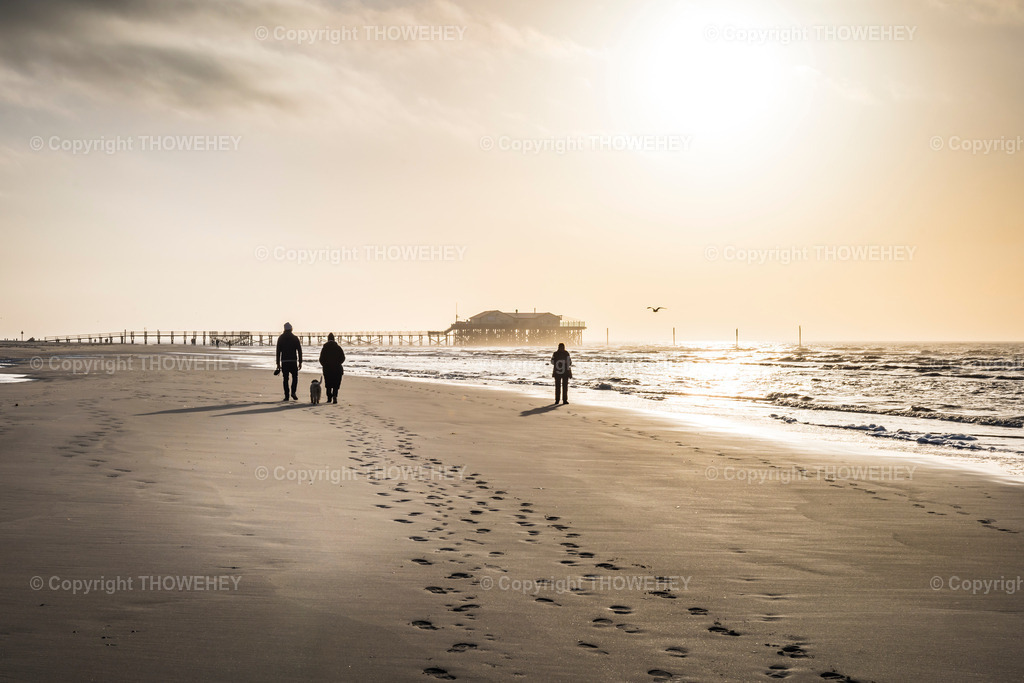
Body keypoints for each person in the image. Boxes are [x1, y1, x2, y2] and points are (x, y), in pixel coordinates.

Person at [275, 322, 303, 401]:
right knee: (295, 377)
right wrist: (300, 362)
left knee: (285, 379)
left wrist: (277, 363)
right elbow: (299, 351)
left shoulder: (281, 338)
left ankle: (286, 395)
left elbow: (278, 352)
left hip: (284, 361)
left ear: (284, 329)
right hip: (293, 361)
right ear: (291, 329)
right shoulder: (295, 338)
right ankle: (293, 392)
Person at [318, 333, 346, 404]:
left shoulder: (325, 348)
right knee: (336, 384)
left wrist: (324, 365)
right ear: (334, 339)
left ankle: (329, 398)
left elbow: (321, 359)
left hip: (327, 369)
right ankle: (335, 396)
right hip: (337, 369)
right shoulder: (338, 347)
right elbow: (343, 358)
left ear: (328, 339)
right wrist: (338, 363)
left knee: (328, 384)